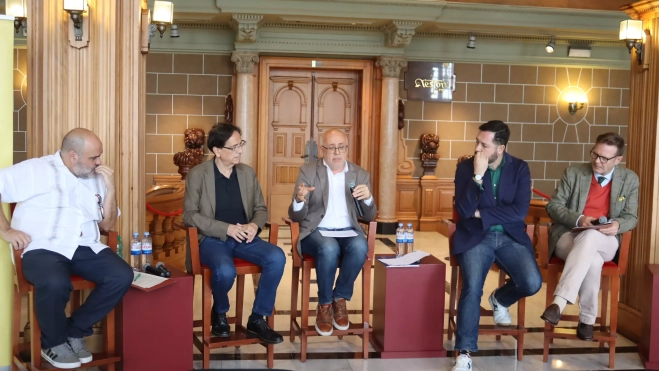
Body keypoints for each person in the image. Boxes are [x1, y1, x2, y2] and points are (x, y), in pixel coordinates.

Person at [0, 128, 133, 369]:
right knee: (54, 282)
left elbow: (108, 223)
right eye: (94, 157)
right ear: (73, 155)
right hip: (43, 246)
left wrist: (111, 189)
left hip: (85, 246)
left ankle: (75, 330)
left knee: (122, 275)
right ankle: (54, 343)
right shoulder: (36, 169)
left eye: (99, 156)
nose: (99, 162)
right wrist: (6, 230)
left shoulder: (96, 177)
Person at [451, 120, 542, 371]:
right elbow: (465, 210)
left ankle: (500, 298)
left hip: (510, 237)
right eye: (477, 142)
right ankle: (465, 354)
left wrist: (483, 214)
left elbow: (519, 212)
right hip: (475, 237)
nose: (478, 149)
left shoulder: (520, 169)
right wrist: (477, 176)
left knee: (532, 282)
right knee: (471, 289)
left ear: (500, 148)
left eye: (484, 145)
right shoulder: (465, 168)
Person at [183, 123, 285, 344]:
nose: (240, 150)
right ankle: (220, 312)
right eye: (234, 147)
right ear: (217, 150)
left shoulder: (247, 173)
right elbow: (189, 215)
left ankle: (258, 318)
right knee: (225, 270)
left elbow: (261, 209)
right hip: (212, 239)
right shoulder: (198, 174)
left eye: (241, 144)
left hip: (245, 239)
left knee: (277, 257)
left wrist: (254, 226)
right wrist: (226, 228)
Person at [541, 132, 638, 341]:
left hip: (607, 239)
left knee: (591, 238)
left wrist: (618, 224)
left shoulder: (629, 179)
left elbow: (632, 217)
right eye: (595, 154)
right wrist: (579, 219)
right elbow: (554, 205)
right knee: (592, 258)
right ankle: (586, 320)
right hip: (569, 235)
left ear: (618, 160)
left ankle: (559, 301)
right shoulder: (574, 173)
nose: (597, 161)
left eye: (604, 158)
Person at [288, 129, 377, 336]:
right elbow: (295, 215)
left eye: (342, 147)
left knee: (360, 246)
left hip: (348, 230)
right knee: (329, 248)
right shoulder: (309, 171)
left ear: (347, 148)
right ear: (322, 149)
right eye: (331, 147)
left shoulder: (360, 174)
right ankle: (325, 305)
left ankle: (340, 298)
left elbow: (370, 215)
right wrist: (299, 200)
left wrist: (368, 199)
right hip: (316, 231)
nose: (337, 152)